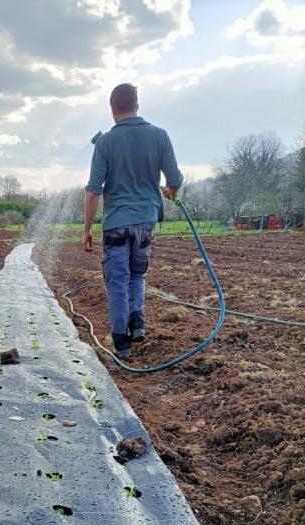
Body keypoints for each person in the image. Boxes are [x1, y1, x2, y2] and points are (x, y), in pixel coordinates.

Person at [83, 83, 183, 359]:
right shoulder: (160, 136)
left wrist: (86, 230)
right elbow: (174, 180)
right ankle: (137, 326)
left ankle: (121, 345)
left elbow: (93, 191)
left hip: (116, 223)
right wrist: (170, 191)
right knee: (137, 274)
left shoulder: (105, 142)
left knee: (117, 280)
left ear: (113, 109)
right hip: (146, 222)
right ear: (137, 105)